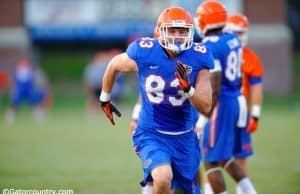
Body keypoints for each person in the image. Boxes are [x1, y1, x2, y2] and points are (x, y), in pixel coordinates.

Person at [99, 6, 215, 194]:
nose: (177, 36)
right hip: (151, 133)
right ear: (160, 31)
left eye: (182, 31)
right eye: (172, 30)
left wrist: (189, 89)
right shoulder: (145, 51)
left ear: (190, 32)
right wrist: (105, 99)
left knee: (184, 189)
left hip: (184, 137)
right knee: (162, 177)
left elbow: (206, 106)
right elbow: (113, 65)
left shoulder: (199, 56)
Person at [194, 1, 257, 194]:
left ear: (205, 20)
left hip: (221, 104)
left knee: (210, 160)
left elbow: (216, 84)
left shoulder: (209, 45)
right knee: (225, 157)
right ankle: (250, 191)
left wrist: (204, 117)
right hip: (237, 99)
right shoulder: (232, 38)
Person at [225, 13, 264, 194]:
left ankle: (243, 191)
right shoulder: (218, 51)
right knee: (211, 155)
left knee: (241, 155)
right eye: (234, 32)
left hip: (240, 112)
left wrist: (255, 114)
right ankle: (211, 189)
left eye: (241, 33)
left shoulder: (250, 57)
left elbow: (256, 87)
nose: (238, 37)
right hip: (219, 111)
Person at [5, 58, 51, 124]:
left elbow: (33, 81)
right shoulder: (18, 71)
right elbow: (13, 81)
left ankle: (39, 118)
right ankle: (10, 118)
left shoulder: (30, 70)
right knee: (15, 103)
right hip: (19, 89)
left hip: (29, 89)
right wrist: (12, 89)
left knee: (34, 103)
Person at [83, 49, 125, 119]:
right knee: (94, 101)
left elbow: (112, 79)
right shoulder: (91, 68)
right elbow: (88, 82)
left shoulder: (108, 65)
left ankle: (115, 110)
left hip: (106, 88)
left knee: (113, 94)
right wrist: (90, 94)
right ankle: (92, 114)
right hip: (96, 88)